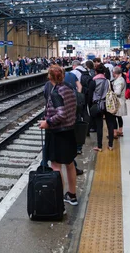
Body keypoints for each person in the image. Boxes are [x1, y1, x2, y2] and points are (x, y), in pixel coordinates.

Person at [38, 65, 78, 205]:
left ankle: (58, 198)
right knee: (70, 163)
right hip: (69, 131)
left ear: (50, 77)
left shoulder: (56, 92)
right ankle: (72, 195)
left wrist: (47, 122)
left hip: (58, 133)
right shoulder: (68, 88)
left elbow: (61, 114)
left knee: (56, 166)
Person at [90, 64, 113, 151]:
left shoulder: (93, 82)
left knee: (99, 126)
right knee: (110, 124)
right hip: (108, 104)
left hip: (97, 105)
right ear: (104, 72)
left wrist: (90, 105)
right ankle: (110, 145)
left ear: (95, 72)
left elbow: (90, 95)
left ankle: (99, 146)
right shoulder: (108, 81)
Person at [112, 67, 126, 137]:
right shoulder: (121, 79)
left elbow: (117, 92)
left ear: (114, 73)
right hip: (120, 101)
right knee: (119, 117)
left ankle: (114, 133)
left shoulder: (119, 81)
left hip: (118, 101)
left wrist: (110, 93)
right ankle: (120, 131)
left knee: (114, 117)